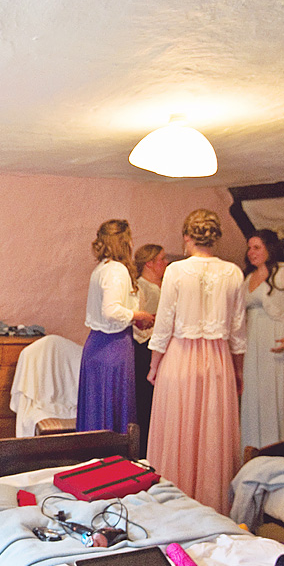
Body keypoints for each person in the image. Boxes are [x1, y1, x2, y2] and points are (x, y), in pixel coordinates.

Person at [146, 210, 246, 514]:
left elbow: (164, 324)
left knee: (177, 428)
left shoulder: (176, 271)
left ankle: (171, 506)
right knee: (211, 428)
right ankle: (209, 505)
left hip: (180, 357)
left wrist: (153, 365)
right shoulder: (233, 273)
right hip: (217, 361)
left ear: (187, 237)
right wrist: (238, 371)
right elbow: (238, 329)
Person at [77, 219, 154, 433]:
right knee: (113, 405)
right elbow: (111, 311)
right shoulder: (116, 270)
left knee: (99, 410)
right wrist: (139, 314)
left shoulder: (102, 268)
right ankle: (113, 458)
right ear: (123, 242)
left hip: (98, 344)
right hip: (112, 346)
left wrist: (134, 318)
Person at [240, 228, 284, 451]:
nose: (251, 252)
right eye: (249, 248)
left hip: (279, 339)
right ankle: (253, 449)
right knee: (255, 394)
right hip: (253, 340)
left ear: (270, 248)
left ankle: (281, 449)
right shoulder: (249, 277)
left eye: (257, 247)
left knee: (276, 396)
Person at [131, 243, 167, 455]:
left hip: (165, 348)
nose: (166, 263)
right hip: (146, 348)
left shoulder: (165, 286)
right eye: (161, 259)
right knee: (146, 401)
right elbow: (139, 324)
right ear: (150, 264)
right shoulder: (141, 287)